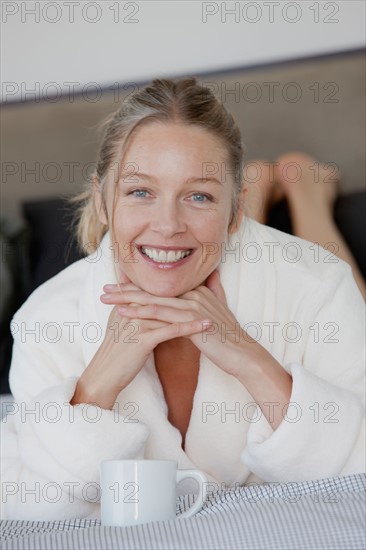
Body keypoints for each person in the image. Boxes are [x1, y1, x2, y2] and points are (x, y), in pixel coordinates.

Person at [1, 78, 365, 520]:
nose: (167, 224)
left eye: (199, 196)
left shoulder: (318, 284)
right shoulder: (46, 320)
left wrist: (248, 357)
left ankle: (304, 193)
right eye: (140, 192)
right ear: (100, 200)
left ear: (234, 210)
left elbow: (358, 464)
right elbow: (25, 503)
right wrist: (97, 384)